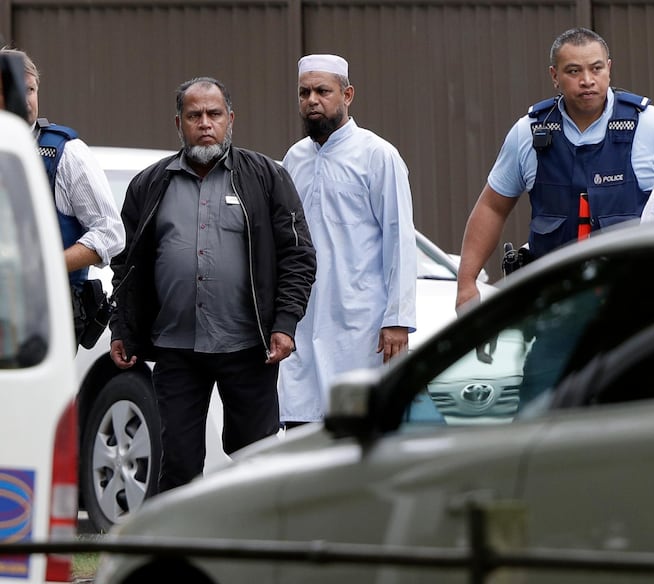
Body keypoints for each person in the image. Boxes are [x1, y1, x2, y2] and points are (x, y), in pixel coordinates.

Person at [108, 76, 316, 491]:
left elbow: (298, 254)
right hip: (176, 347)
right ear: (179, 124)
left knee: (253, 457)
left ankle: (255, 549)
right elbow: (126, 265)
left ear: (230, 119)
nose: (205, 123)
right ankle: (177, 551)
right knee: (179, 463)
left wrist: (285, 323)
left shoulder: (266, 177)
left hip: (249, 346)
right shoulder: (149, 185)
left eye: (214, 114)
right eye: (194, 115)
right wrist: (123, 328)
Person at [456, 27, 654, 309]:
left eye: (596, 68)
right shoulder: (529, 132)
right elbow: (492, 207)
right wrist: (467, 283)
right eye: (574, 71)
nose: (587, 81)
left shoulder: (650, 125)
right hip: (554, 306)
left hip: (634, 301)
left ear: (609, 69)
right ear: (555, 76)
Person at [277, 54, 417, 425]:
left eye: (323, 91)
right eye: (304, 92)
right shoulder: (294, 159)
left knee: (359, 430)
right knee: (301, 429)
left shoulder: (377, 155)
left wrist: (398, 318)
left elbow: (400, 238)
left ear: (347, 94)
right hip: (304, 324)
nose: (312, 100)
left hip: (362, 325)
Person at [0, 47, 124, 347]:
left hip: (43, 319)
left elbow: (111, 234)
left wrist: (44, 264)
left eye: (30, 89)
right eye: (16, 89)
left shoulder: (66, 153)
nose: (26, 98)